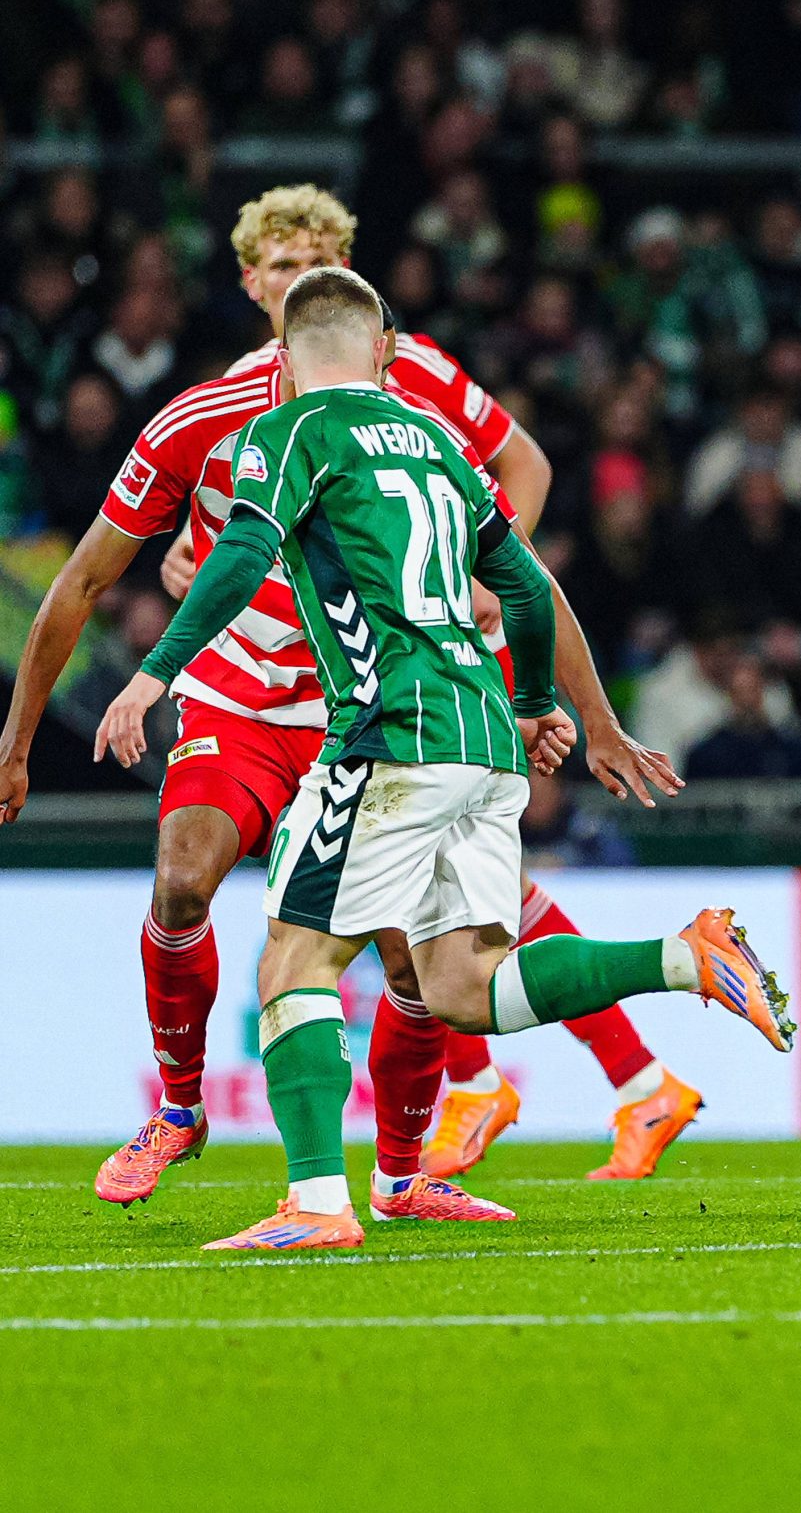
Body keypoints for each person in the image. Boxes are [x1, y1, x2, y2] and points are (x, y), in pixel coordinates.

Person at [0, 186, 698, 1207]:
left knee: (421, 961)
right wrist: (20, 737)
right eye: (280, 268)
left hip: (366, 708)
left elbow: (520, 538)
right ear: (252, 287)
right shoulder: (205, 417)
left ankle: (412, 1169)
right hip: (241, 704)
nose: (298, 284)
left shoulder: (409, 395)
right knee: (186, 877)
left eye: (317, 264)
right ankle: (183, 1111)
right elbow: (94, 577)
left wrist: (545, 677)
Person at [91, 265, 792, 1251]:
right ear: (383, 352)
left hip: (386, 731)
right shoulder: (435, 441)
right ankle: (688, 958)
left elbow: (240, 557)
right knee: (457, 985)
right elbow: (523, 580)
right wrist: (540, 701)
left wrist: (154, 672)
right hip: (480, 733)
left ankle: (317, 1206)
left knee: (296, 957)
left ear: (282, 361)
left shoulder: (283, 432)